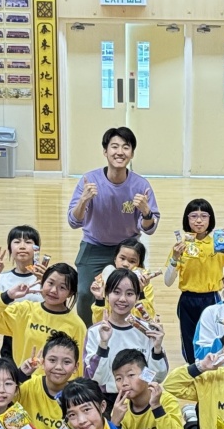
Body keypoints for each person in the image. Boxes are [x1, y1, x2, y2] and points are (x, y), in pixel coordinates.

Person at [66, 127, 160, 324]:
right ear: (105, 151)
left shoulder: (141, 185)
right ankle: (89, 335)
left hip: (128, 250)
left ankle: (128, 331)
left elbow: (150, 228)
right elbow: (73, 221)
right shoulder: (89, 180)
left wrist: (146, 212)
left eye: (126, 147)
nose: (120, 152)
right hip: (94, 246)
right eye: (114, 146)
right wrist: (83, 200)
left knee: (131, 293)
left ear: (132, 153)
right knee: (85, 294)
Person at [0, 262, 87, 368]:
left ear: (70, 293)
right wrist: (7, 296)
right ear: (42, 282)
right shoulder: (23, 310)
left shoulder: (77, 325)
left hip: (58, 380)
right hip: (23, 378)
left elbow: (80, 365)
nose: (54, 290)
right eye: (50, 283)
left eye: (62, 287)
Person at [85, 269, 168, 397]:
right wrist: (103, 344)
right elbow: (96, 379)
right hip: (107, 399)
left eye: (129, 293)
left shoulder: (147, 331)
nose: (122, 299)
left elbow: (157, 378)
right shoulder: (95, 332)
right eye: (116, 292)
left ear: (137, 297)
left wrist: (157, 350)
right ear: (107, 294)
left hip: (140, 399)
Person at [0, 226, 50, 359]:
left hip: (44, 335)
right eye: (17, 242)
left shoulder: (48, 278)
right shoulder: (2, 278)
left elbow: (59, 305)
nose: (22, 246)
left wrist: (46, 283)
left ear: (36, 249)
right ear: (10, 249)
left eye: (28, 242)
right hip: (12, 338)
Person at [108, 350, 182, 429]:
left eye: (131, 375)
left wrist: (157, 407)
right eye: (118, 378)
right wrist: (114, 424)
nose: (124, 383)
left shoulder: (166, 400)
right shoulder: (119, 410)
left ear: (146, 375)